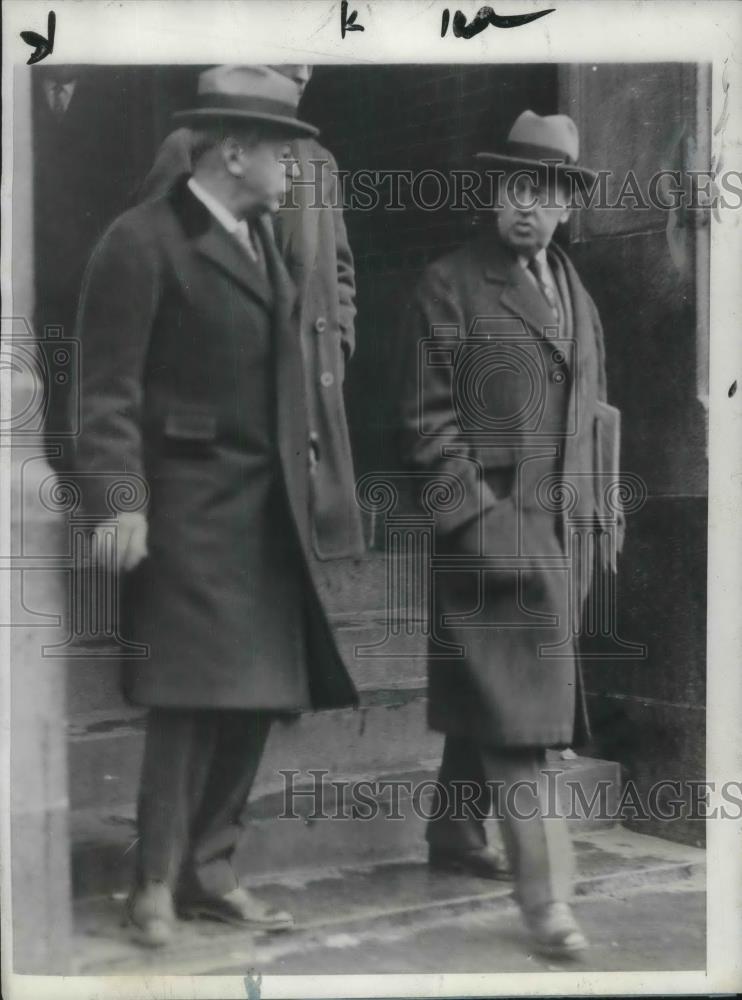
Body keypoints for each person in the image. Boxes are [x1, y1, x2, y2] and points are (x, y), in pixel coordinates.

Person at [73, 65, 361, 948]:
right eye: (283, 150)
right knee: (187, 699)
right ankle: (152, 885)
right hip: (188, 508)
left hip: (269, 509)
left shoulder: (264, 243)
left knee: (260, 694)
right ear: (234, 151)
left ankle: (211, 870)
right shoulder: (141, 240)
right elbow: (104, 391)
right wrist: (121, 502)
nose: (294, 167)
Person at [398, 111, 620, 958]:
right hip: (486, 533)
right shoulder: (448, 284)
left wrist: (593, 524)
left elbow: (592, 423)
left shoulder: (580, 297)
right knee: (526, 726)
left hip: (563, 533)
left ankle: (455, 836)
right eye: (515, 188)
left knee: (494, 690)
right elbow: (426, 427)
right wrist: (481, 526)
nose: (529, 205)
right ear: (495, 193)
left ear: (568, 205)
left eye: (548, 191)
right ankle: (548, 903)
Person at [138, 64, 364, 560]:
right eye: (290, 54)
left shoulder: (320, 161)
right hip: (225, 403)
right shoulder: (190, 144)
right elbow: (157, 268)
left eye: (311, 57)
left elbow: (339, 270)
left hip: (305, 396)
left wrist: (335, 347)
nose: (304, 71)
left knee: (301, 560)